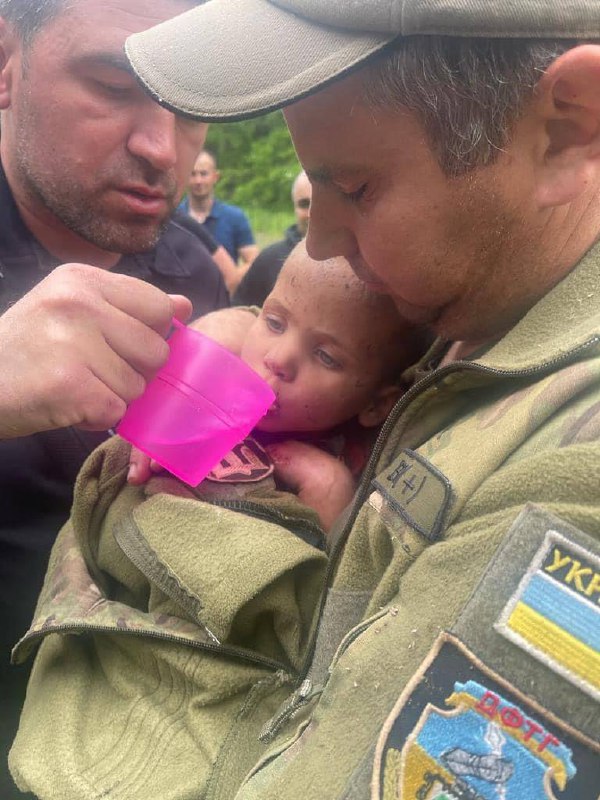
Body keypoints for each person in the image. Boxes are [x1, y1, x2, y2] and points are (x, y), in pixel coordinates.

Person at [128, 2, 600, 798]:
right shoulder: (478, 294)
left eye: (354, 187)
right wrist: (231, 339)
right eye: (314, 185)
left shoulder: (572, 472)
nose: (318, 242)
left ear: (565, 128)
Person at [9, 245, 431, 800]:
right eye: (276, 323)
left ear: (378, 402)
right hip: (115, 635)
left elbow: (336, 608)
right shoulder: (207, 393)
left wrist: (333, 507)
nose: (278, 357)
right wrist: (146, 447)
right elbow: (112, 498)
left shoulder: (357, 462)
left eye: (326, 357)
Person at [0, 0, 228, 796]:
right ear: (6, 63)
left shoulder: (193, 271)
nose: (163, 149)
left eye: (192, 108)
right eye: (111, 84)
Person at [233, 171, 312, 307]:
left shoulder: (357, 259)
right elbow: (240, 313)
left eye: (321, 201)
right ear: (294, 207)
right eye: (304, 204)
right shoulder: (269, 261)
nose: (312, 212)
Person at [179, 149, 259, 271]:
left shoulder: (235, 217)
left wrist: (232, 280)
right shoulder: (172, 218)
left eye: (204, 174)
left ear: (215, 177)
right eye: (192, 174)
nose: (198, 181)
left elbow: (254, 262)